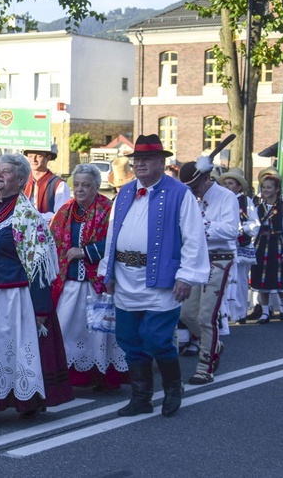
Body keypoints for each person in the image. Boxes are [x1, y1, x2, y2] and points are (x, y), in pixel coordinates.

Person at [99, 134, 209, 418]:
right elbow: (112, 234)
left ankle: (174, 389)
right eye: (137, 160)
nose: (141, 164)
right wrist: (107, 270)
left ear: (162, 162)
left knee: (156, 337)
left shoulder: (179, 193)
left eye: (147, 159)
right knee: (129, 338)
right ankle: (141, 398)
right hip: (125, 278)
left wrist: (186, 276)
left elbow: (194, 238)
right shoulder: (124, 192)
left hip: (161, 281)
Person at [0, 154, 73, 418]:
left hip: (7, 297)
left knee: (4, 349)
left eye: (7, 172)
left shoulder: (27, 217)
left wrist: (41, 309)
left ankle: (21, 400)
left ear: (21, 180)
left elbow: (40, 266)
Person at [50, 164, 128, 390]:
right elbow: (54, 240)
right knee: (65, 328)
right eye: (77, 185)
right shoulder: (65, 210)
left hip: (96, 286)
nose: (80, 189)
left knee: (98, 332)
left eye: (86, 185)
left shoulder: (107, 209)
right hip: (69, 283)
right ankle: (65, 376)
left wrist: (85, 251)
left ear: (96, 187)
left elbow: (116, 241)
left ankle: (100, 376)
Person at [178, 159, 239, 384]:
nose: (193, 192)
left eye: (195, 187)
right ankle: (214, 344)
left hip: (219, 259)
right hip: (197, 259)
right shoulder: (192, 199)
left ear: (206, 178)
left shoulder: (226, 196)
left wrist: (200, 226)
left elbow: (231, 230)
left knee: (207, 316)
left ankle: (205, 366)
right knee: (186, 313)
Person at [250, 173, 283, 323]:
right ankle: (265, 312)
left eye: (269, 187)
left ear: (277, 189)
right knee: (262, 279)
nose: (265, 190)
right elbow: (254, 228)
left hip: (277, 244)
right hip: (261, 245)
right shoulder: (257, 208)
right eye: (263, 187)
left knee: (279, 278)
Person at [218, 168, 259, 323]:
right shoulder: (222, 201)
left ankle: (240, 313)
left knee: (241, 280)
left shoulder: (246, 201)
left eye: (231, 183)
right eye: (226, 183)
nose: (227, 186)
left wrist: (241, 230)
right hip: (226, 245)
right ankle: (226, 313)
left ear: (239, 187)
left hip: (241, 246)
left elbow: (255, 224)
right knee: (226, 279)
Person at [23, 145, 71, 223]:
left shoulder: (59, 185)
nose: (33, 160)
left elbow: (61, 215)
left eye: (39, 156)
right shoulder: (22, 181)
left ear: (48, 158)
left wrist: (32, 217)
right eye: (30, 156)